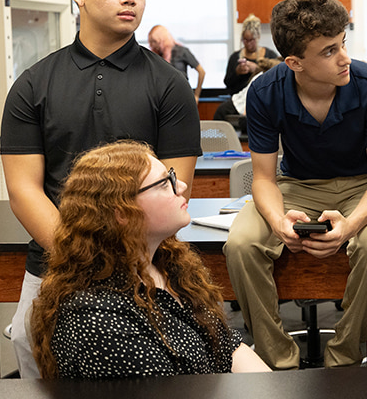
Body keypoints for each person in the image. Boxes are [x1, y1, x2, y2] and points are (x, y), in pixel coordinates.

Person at [0, 0, 202, 378]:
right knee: (33, 350)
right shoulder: (32, 85)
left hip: (147, 265)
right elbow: (24, 190)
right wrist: (81, 259)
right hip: (56, 264)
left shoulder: (169, 87)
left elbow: (174, 186)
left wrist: (124, 266)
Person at [224, 0, 367, 369]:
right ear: (294, 63)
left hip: (365, 185)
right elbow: (263, 179)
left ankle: (343, 358)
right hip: (296, 186)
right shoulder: (264, 91)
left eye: (343, 43)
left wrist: (350, 226)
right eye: (328, 51)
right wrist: (278, 223)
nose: (344, 58)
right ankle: (278, 363)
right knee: (240, 244)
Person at [29, 141, 270, 378]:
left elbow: (227, 346)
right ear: (122, 212)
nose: (182, 186)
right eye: (165, 184)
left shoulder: (169, 264)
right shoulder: (96, 317)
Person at [147, 25, 207, 101]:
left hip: (182, 96)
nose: (152, 45)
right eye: (151, 42)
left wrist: (196, 95)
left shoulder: (182, 51)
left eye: (154, 41)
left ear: (162, 40)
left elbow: (201, 72)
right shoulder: (154, 57)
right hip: (163, 98)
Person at [224, 14, 279, 95]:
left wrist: (257, 69)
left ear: (258, 37)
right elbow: (227, 83)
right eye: (245, 40)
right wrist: (237, 72)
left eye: (251, 40)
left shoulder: (270, 55)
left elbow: (276, 80)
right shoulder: (235, 57)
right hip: (238, 100)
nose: (248, 44)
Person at [212, 57, 281, 121]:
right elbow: (251, 98)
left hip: (233, 107)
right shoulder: (263, 78)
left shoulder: (264, 76)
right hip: (230, 110)